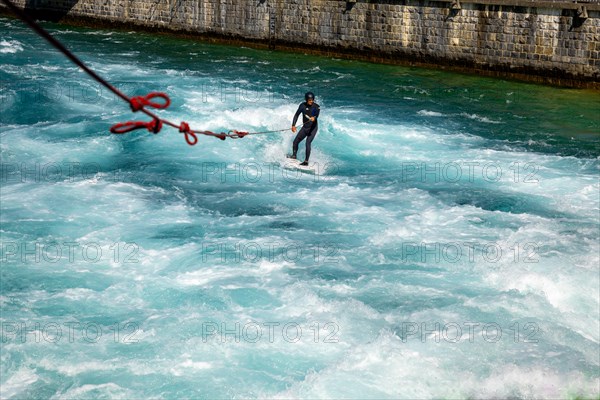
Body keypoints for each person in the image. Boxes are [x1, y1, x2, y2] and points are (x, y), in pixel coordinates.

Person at [288, 92, 320, 166]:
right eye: (310, 100)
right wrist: (293, 125)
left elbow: (316, 115)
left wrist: (314, 117)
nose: (311, 101)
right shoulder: (302, 106)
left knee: (307, 143)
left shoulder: (316, 107)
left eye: (312, 100)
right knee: (295, 142)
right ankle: (294, 156)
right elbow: (296, 115)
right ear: (306, 99)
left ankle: (306, 161)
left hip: (313, 128)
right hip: (305, 128)